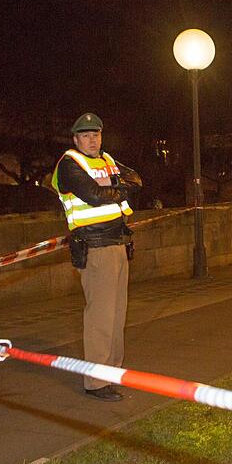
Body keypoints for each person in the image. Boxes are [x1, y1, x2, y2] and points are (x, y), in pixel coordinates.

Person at [51, 112, 141, 401]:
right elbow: (93, 195)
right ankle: (96, 381)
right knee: (100, 317)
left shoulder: (107, 160)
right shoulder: (70, 164)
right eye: (86, 136)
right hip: (95, 246)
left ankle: (112, 372)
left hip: (118, 243)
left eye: (96, 135)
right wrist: (120, 190)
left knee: (117, 315)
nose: (92, 140)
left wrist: (116, 190)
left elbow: (136, 180)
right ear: (75, 139)